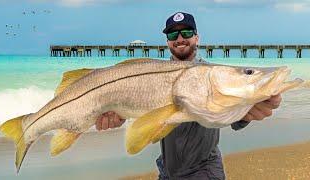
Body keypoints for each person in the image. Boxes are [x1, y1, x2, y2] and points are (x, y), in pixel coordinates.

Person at [95, 12, 282, 180]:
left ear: (197, 38)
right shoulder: (149, 76)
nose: (179, 39)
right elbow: (136, 113)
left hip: (204, 171)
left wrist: (248, 110)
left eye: (186, 33)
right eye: (172, 34)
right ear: (167, 42)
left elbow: (233, 118)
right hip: (167, 170)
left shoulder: (214, 75)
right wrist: (118, 116)